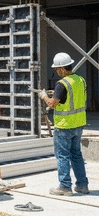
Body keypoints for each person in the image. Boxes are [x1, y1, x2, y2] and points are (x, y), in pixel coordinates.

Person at [38, 52, 89, 196]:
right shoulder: (80, 80)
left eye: (56, 69)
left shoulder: (62, 84)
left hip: (64, 126)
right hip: (78, 124)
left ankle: (65, 186)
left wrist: (44, 96)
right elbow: (72, 97)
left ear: (61, 69)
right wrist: (55, 94)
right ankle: (82, 185)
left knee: (62, 156)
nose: (56, 72)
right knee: (76, 155)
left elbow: (53, 104)